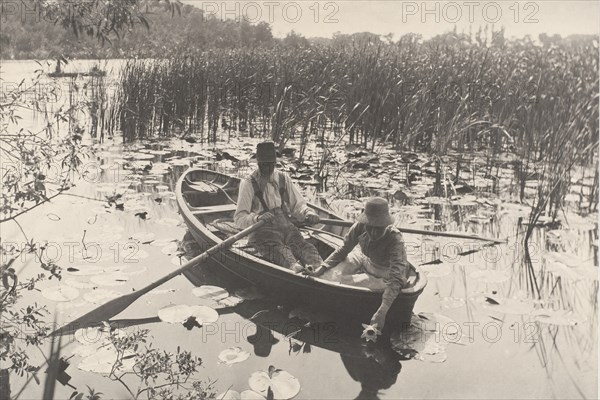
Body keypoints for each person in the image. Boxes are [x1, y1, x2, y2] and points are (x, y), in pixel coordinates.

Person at [313, 197, 413, 332]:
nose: (373, 232)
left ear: (386, 225)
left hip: (384, 272)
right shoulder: (360, 226)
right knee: (332, 274)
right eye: (370, 227)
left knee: (350, 284)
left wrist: (382, 312)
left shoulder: (395, 239)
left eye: (378, 228)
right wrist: (322, 268)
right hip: (364, 259)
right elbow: (344, 250)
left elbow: (396, 277)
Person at [234, 141, 324, 272]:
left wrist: (308, 213)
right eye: (263, 165)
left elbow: (298, 205)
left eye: (270, 165)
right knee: (282, 253)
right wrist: (257, 218)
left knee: (306, 247)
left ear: (275, 163)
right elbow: (239, 219)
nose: (266, 169)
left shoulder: (283, 178)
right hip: (262, 231)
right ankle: (297, 271)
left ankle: (321, 270)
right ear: (258, 163)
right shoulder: (248, 183)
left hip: (286, 227)